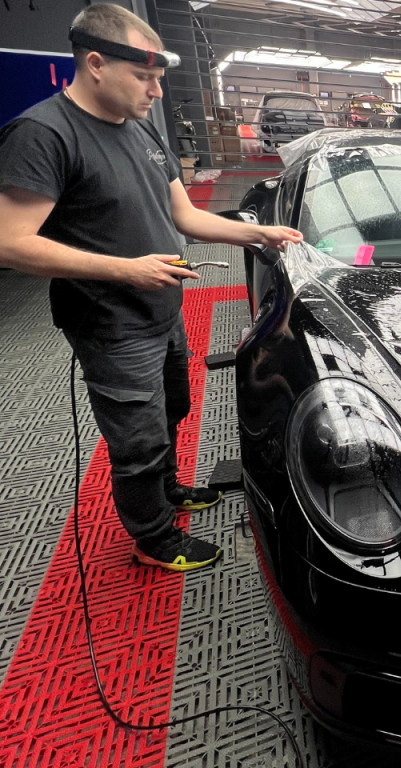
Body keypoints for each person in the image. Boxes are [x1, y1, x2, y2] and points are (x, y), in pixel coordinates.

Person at [0, 4, 303, 572]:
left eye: (159, 77)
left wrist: (256, 231)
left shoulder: (140, 128)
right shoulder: (44, 134)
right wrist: (127, 270)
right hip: (110, 321)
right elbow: (10, 242)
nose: (157, 91)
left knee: (171, 409)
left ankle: (167, 490)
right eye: (144, 76)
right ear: (95, 64)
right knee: (137, 440)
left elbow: (183, 215)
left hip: (162, 307)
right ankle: (154, 537)